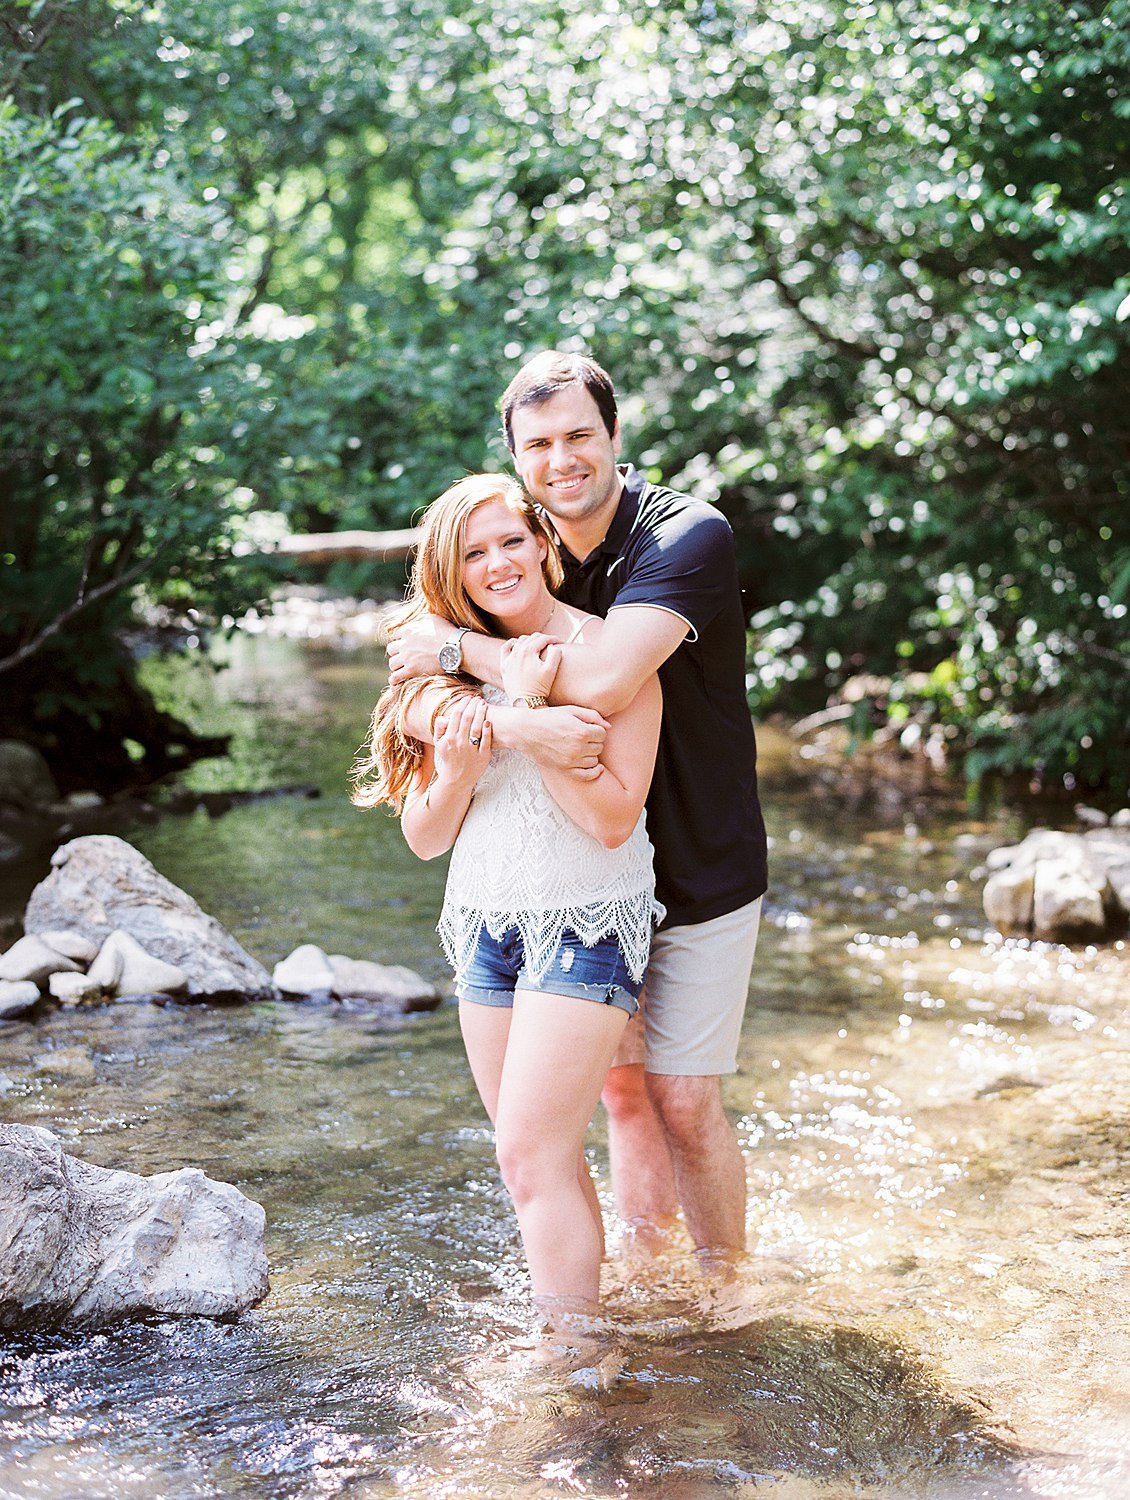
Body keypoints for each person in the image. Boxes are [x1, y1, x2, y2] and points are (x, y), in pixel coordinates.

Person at [387, 352, 769, 1273]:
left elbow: (596, 676)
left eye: (579, 437)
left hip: (701, 856)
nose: (562, 460)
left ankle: (724, 1291)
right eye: (539, 445)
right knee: (624, 1097)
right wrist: (449, 663)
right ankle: (646, 1276)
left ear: (614, 437)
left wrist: (461, 658)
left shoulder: (685, 536)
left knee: (681, 1097)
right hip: (589, 864)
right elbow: (417, 654)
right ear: (517, 458)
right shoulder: (523, 542)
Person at [353, 473, 663, 1331]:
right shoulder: (434, 668)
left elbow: (610, 822)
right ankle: (585, 1341)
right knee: (540, 1164)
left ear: (541, 542)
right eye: (473, 553)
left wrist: (526, 702)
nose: (497, 564)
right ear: (451, 571)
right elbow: (424, 836)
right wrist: (474, 756)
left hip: (588, 921)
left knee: (525, 1152)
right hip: (484, 928)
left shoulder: (606, 659)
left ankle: (565, 1359)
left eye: (509, 542)